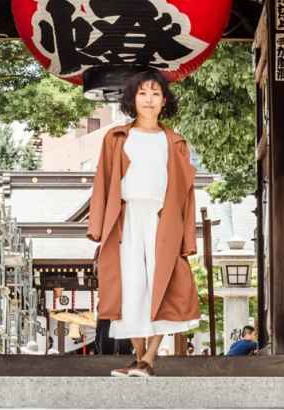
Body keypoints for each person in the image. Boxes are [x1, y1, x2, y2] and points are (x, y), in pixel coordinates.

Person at [87, 69, 200, 377]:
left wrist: (188, 238)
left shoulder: (175, 142)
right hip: (125, 220)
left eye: (155, 94)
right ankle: (140, 360)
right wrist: (98, 226)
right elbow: (103, 181)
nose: (149, 100)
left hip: (163, 220)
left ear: (164, 100)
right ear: (132, 99)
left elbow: (187, 195)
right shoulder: (116, 137)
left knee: (162, 288)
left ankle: (149, 358)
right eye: (142, 93)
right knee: (129, 288)